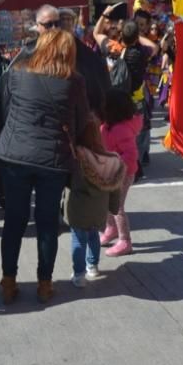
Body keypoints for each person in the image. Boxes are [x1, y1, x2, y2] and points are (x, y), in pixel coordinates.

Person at [0, 29, 89, 305]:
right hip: (54, 159)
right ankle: (45, 284)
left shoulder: (16, 73)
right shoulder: (74, 81)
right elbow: (82, 121)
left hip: (14, 154)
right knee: (47, 223)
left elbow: (3, 112)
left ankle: (8, 281)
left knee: (14, 219)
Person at [93, 8, 157, 180]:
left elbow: (96, 33)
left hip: (114, 100)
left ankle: (111, 164)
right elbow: (154, 47)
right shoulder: (141, 53)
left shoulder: (113, 48)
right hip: (135, 101)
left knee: (111, 132)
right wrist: (136, 35)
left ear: (121, 33)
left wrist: (105, 14)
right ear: (137, 37)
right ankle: (133, 167)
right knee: (133, 136)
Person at [62, 122, 113, 289]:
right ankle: (93, 266)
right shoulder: (107, 159)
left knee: (78, 239)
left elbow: (67, 181)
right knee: (93, 236)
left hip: (78, 208)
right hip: (98, 209)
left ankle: (79, 274)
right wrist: (113, 206)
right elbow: (115, 187)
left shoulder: (75, 160)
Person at [98, 87, 141, 257]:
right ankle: (111, 229)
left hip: (122, 174)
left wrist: (114, 166)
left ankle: (125, 241)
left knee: (117, 207)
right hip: (111, 172)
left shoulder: (120, 129)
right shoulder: (109, 126)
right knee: (108, 203)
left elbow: (130, 155)